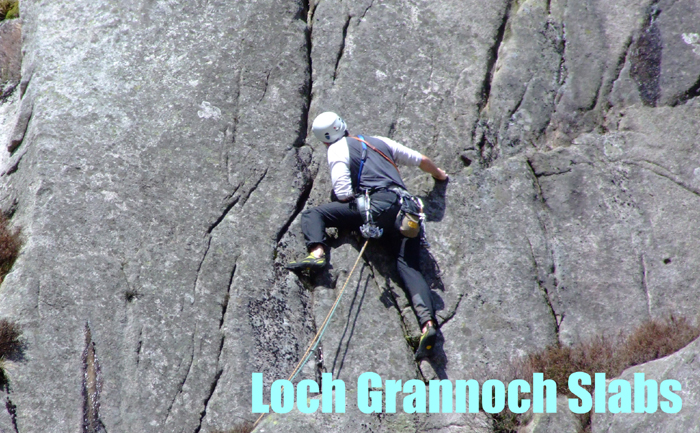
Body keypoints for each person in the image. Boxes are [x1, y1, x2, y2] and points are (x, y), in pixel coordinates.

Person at [287, 112, 448, 360]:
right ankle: (428, 324)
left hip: (376, 208)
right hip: (407, 211)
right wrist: (440, 175)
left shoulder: (337, 148)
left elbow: (342, 192)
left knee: (313, 215)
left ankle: (317, 254)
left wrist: (355, 204)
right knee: (408, 267)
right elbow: (421, 160)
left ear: (324, 139)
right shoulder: (380, 142)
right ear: (343, 124)